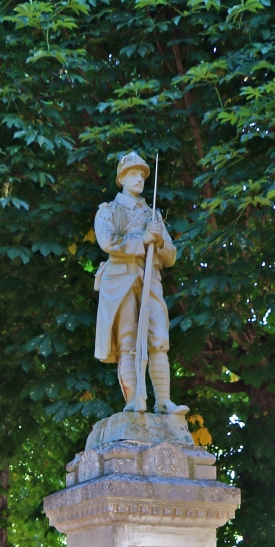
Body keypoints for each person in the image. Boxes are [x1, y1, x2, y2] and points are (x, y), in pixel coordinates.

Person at [93, 151, 188, 415]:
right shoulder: (108, 211)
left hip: (150, 278)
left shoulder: (153, 214)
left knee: (159, 338)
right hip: (119, 280)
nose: (140, 179)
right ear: (121, 177)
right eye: (133, 173)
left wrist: (158, 241)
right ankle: (134, 401)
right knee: (127, 341)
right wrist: (142, 240)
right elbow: (108, 242)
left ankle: (164, 401)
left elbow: (170, 256)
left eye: (143, 174)